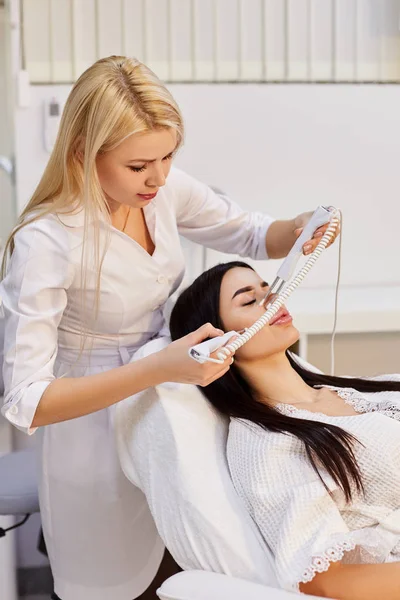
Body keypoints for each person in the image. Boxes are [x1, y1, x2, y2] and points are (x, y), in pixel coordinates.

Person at [0, 55, 337, 600]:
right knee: (109, 580)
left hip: (175, 406)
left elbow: (252, 234)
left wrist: (303, 227)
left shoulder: (162, 191)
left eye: (168, 155)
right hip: (94, 428)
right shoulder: (46, 242)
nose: (158, 176)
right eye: (138, 166)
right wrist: (160, 367)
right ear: (84, 154)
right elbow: (28, 402)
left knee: (196, 564)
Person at [169, 260, 400, 600]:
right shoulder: (267, 446)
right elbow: (320, 578)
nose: (273, 301)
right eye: (248, 301)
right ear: (215, 342)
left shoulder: (355, 393)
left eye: (269, 288)